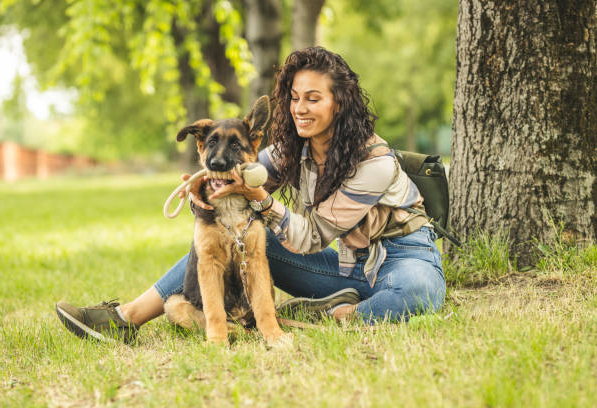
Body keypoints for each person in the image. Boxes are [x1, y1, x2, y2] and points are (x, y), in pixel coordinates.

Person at [56, 47, 446, 344]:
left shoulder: (372, 161)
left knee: (419, 293)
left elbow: (308, 236)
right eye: (294, 98)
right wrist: (204, 195)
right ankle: (127, 318)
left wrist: (260, 197)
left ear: (339, 102)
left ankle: (335, 314)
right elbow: (230, 180)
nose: (299, 109)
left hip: (403, 258)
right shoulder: (291, 150)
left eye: (313, 98)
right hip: (346, 267)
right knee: (215, 241)